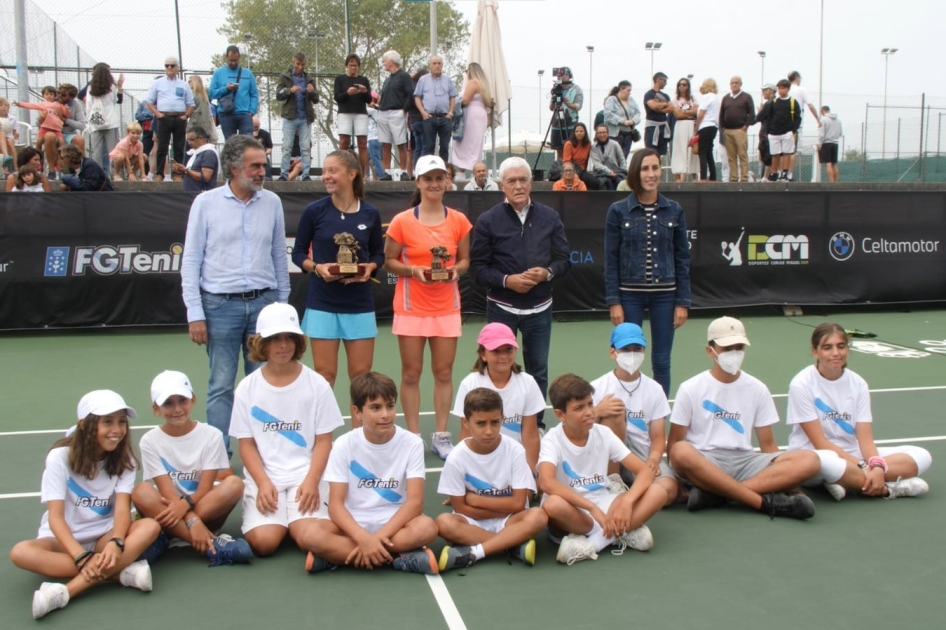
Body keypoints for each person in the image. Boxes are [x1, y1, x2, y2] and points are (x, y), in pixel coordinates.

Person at [180, 135, 291, 458]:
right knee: (221, 387)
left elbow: (278, 258)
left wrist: (281, 308)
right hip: (218, 306)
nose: (262, 171)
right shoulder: (205, 203)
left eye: (263, 165)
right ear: (233, 168)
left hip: (264, 306)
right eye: (254, 166)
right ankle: (219, 459)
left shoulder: (272, 202)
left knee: (266, 386)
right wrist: (195, 314)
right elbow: (190, 261)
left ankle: (266, 454)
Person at [10, 390, 160, 619]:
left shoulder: (125, 460)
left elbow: (122, 510)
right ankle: (119, 573)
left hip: (104, 537)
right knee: (20, 553)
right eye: (107, 422)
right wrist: (80, 556)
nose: (117, 430)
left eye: (121, 421)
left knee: (150, 527)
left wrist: (116, 542)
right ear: (84, 424)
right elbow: (56, 518)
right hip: (62, 541)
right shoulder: (59, 457)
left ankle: (66, 591)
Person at [667, 317, 821, 519]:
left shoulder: (757, 388)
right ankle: (761, 502)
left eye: (739, 347)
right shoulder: (690, 388)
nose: (734, 354)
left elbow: (768, 444)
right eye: (727, 348)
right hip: (706, 460)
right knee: (681, 451)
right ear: (710, 351)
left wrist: (787, 479)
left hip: (746, 462)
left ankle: (718, 496)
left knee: (810, 460)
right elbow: (676, 443)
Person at [228, 303, 344, 557]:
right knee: (264, 543)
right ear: (261, 343)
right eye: (275, 339)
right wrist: (262, 482)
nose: (283, 345)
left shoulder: (317, 384)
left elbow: (325, 441)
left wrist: (312, 481)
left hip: (307, 475)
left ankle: (297, 524)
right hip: (267, 476)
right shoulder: (247, 388)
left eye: (289, 338)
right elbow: (246, 445)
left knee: (307, 540)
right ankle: (283, 521)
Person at [470, 156, 570, 433]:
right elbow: (478, 269)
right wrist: (507, 281)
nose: (518, 186)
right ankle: (496, 422)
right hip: (502, 308)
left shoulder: (550, 217)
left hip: (539, 308)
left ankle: (534, 425)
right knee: (497, 369)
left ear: (531, 183)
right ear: (502, 185)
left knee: (538, 371)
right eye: (511, 181)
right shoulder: (488, 220)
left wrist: (547, 273)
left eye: (523, 180)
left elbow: (564, 260)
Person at [303, 372, 440, 575]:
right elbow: (336, 505)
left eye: (390, 406)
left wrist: (375, 540)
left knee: (427, 528)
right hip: (353, 520)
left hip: (395, 519)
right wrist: (362, 538)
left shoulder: (412, 443)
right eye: (375, 408)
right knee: (312, 535)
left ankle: (337, 558)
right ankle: (396, 559)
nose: (385, 414)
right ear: (357, 412)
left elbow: (415, 502)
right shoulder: (343, 445)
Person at [383, 155, 472, 449]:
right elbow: (389, 262)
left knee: (444, 372)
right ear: (418, 182)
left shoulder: (459, 220)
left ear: (447, 181)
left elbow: (464, 262)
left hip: (446, 307)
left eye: (439, 178)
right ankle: (411, 436)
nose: (434, 184)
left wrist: (454, 272)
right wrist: (413, 271)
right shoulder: (401, 221)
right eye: (428, 178)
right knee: (411, 373)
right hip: (410, 309)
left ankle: (441, 435)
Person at [786, 323, 931, 501]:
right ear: (815, 352)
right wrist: (863, 466)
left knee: (923, 456)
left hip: (853, 455)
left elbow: (865, 439)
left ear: (848, 349)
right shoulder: (801, 384)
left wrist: (876, 466)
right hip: (814, 456)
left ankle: (846, 480)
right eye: (827, 347)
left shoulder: (858, 384)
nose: (835, 353)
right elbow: (820, 443)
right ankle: (889, 489)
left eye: (841, 346)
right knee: (826, 464)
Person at [132, 370, 251, 566]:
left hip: (200, 509)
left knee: (234, 484)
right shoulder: (149, 441)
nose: (177, 408)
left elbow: (204, 489)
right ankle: (214, 546)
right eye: (168, 403)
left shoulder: (212, 435)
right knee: (141, 491)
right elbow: (167, 492)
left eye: (182, 400)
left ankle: (166, 537)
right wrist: (192, 521)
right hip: (170, 508)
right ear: (156, 408)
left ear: (193, 400)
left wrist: (190, 514)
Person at [539, 374, 657, 565]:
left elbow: (645, 471)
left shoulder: (603, 433)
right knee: (552, 504)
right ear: (560, 415)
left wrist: (627, 501)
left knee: (658, 490)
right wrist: (591, 508)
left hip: (605, 501)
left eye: (590, 404)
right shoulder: (552, 440)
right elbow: (546, 482)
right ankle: (623, 531)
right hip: (574, 509)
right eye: (579, 408)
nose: (589, 412)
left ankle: (593, 544)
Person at [291, 150, 385, 390]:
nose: (326, 176)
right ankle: (323, 429)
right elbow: (299, 253)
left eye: (332, 171)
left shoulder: (370, 213)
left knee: (361, 377)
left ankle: (361, 429)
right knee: (324, 376)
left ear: (352, 174)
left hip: (359, 304)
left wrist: (370, 267)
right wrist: (317, 267)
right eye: (324, 171)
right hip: (323, 303)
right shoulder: (315, 211)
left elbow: (378, 254)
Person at [604, 148, 690, 397]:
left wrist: (682, 302)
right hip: (629, 295)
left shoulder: (674, 210)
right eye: (645, 168)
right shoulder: (618, 211)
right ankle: (629, 414)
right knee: (628, 357)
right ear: (635, 172)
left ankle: (657, 417)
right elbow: (610, 259)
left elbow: (682, 258)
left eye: (655, 168)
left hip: (666, 296)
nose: (650, 174)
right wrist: (614, 302)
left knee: (662, 360)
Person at [436, 388, 549, 572]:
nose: (489, 431)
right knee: (443, 523)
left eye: (495, 422)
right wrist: (497, 508)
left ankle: (477, 552)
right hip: (473, 521)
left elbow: (520, 503)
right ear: (466, 422)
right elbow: (461, 508)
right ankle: (511, 544)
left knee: (539, 516)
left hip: (509, 519)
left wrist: (476, 500)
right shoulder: (456, 457)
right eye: (481, 423)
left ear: (502, 419)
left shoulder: (515, 450)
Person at [592, 323, 680, 506]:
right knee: (614, 412)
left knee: (669, 489)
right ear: (612, 352)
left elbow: (657, 438)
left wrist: (653, 460)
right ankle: (614, 481)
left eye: (637, 349)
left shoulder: (654, 389)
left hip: (640, 455)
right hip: (607, 457)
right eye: (625, 349)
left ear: (644, 351)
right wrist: (597, 411)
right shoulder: (597, 387)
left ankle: (627, 498)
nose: (632, 354)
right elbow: (579, 427)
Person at [451, 323, 545, 474]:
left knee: (523, 495)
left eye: (509, 349)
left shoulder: (528, 383)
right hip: (482, 460)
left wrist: (532, 474)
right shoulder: (469, 384)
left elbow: (530, 434)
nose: (503, 356)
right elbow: (466, 434)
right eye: (495, 351)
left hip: (516, 460)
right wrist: (466, 474)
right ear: (483, 354)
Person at [144, 57, 195, 182]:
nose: (169, 68)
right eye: (167, 66)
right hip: (163, 117)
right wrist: (157, 114)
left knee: (179, 147)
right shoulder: (158, 83)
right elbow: (149, 102)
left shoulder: (184, 85)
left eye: (172, 65)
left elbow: (191, 104)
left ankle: (178, 174)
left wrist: (185, 116)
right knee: (162, 147)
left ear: (177, 68)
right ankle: (160, 174)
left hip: (179, 117)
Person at [277, 52, 319, 182]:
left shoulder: (309, 79)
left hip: (304, 117)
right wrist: (290, 91)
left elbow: (316, 99)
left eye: (303, 65)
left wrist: (312, 92)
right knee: (287, 146)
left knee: (305, 147)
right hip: (290, 117)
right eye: (298, 64)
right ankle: (284, 174)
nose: (300, 67)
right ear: (293, 62)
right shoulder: (285, 77)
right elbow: (279, 95)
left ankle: (306, 175)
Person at [15, 87, 70, 177]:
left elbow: (66, 113)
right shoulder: (43, 104)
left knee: (62, 143)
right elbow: (32, 105)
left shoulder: (58, 104)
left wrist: (66, 109)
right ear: (43, 95)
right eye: (46, 94)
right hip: (45, 127)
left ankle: (60, 161)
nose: (49, 96)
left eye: (51, 94)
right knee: (38, 142)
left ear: (55, 96)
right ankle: (39, 161)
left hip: (56, 129)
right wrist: (20, 104)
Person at [377, 50, 414, 181]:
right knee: (385, 143)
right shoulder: (387, 80)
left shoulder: (404, 76)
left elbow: (411, 94)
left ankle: (403, 171)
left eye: (385, 60)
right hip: (383, 113)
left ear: (392, 61)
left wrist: (404, 110)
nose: (384, 63)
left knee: (400, 143)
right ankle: (387, 172)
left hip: (397, 112)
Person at [450, 62, 493, 172]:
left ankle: (462, 171)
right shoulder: (484, 85)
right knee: (475, 143)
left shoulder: (473, 83)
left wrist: (453, 105)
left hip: (471, 114)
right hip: (480, 114)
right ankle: (475, 168)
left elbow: (465, 100)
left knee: (464, 142)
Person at [333, 53, 371, 178]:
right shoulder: (340, 79)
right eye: (351, 65)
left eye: (355, 66)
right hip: (345, 113)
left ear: (358, 67)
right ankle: (342, 170)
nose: (353, 68)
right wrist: (347, 93)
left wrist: (365, 92)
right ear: (346, 66)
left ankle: (363, 173)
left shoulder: (363, 80)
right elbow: (337, 97)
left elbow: (369, 100)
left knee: (362, 144)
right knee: (344, 142)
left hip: (360, 113)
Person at [414, 54, 458, 162]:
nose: (437, 66)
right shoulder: (423, 80)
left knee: (444, 147)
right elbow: (417, 97)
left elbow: (453, 97)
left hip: (445, 117)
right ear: (430, 65)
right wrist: (423, 113)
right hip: (429, 117)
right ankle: (429, 171)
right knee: (429, 147)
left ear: (442, 65)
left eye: (439, 63)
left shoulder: (448, 80)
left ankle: (443, 170)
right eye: (434, 63)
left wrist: (450, 113)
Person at [209, 45, 259, 140]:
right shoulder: (218, 73)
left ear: (239, 58)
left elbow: (254, 94)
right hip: (226, 114)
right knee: (231, 144)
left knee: (247, 142)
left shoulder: (248, 74)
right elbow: (211, 93)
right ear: (226, 57)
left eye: (235, 60)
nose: (233, 63)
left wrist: (251, 111)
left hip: (244, 114)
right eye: (231, 60)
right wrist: (226, 89)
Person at [756, 79, 801, 182]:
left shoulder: (793, 102)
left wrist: (793, 130)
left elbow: (797, 118)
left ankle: (784, 173)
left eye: (783, 88)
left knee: (786, 153)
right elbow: (765, 115)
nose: (781, 90)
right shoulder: (774, 102)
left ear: (788, 89)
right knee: (775, 154)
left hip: (787, 132)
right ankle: (774, 172)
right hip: (774, 133)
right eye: (779, 88)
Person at [83, 63, 124, 173]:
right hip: (111, 122)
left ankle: (98, 176)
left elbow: (88, 107)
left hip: (96, 123)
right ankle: (115, 174)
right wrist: (120, 87)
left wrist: (90, 124)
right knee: (113, 151)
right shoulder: (111, 87)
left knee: (97, 152)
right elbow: (118, 100)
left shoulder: (90, 89)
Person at [718, 76, 755, 183]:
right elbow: (721, 114)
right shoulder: (726, 98)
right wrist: (723, 127)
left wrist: (745, 126)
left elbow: (752, 114)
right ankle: (733, 178)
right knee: (731, 156)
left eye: (736, 83)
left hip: (740, 130)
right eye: (732, 83)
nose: (734, 85)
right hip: (727, 131)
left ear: (740, 84)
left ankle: (744, 177)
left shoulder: (746, 97)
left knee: (742, 155)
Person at [786, 71, 821, 178]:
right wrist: (818, 120)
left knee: (782, 151)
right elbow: (810, 106)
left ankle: (780, 173)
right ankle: (789, 175)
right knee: (793, 150)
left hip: (782, 124)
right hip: (796, 125)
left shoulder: (785, 90)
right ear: (797, 78)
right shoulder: (801, 90)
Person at [547, 67, 583, 161]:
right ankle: (559, 169)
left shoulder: (576, 89)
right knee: (559, 149)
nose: (560, 78)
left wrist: (569, 104)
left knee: (571, 148)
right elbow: (551, 108)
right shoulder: (556, 88)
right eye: (558, 76)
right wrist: (554, 99)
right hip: (557, 124)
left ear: (569, 76)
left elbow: (578, 106)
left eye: (563, 75)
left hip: (570, 123)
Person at [172, 125, 219, 192]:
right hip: (192, 195)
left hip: (201, 195)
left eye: (192, 140)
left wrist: (186, 171)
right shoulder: (196, 154)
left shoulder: (209, 154)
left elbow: (205, 177)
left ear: (201, 138)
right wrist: (182, 170)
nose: (189, 143)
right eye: (188, 140)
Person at [670, 77, 699, 181]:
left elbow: (695, 111)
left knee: (692, 149)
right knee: (680, 148)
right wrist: (688, 112)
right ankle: (680, 175)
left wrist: (684, 112)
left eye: (684, 84)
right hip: (680, 125)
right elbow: (677, 115)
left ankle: (694, 175)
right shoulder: (675, 99)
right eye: (680, 84)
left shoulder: (693, 98)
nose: (682, 86)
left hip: (692, 124)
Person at [603, 81, 641, 158]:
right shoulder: (611, 99)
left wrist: (633, 121)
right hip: (615, 134)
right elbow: (608, 115)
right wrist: (623, 121)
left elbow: (638, 113)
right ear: (621, 89)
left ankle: (622, 169)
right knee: (614, 157)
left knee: (624, 156)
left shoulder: (631, 100)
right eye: (628, 90)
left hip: (629, 133)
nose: (630, 93)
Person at [643, 73, 674, 157]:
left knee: (660, 153)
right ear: (658, 80)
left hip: (663, 127)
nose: (665, 83)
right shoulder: (649, 94)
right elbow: (653, 106)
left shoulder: (666, 95)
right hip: (652, 127)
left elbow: (671, 108)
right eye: (664, 80)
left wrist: (659, 106)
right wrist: (664, 105)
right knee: (650, 152)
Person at [694, 78, 719, 182]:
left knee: (702, 152)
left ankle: (703, 177)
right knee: (709, 152)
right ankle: (713, 177)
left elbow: (701, 114)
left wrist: (696, 128)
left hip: (705, 126)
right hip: (713, 126)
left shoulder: (707, 97)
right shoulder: (716, 98)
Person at [589, 124, 626, 190]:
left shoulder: (615, 144)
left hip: (616, 171)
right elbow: (597, 164)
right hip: (600, 173)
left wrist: (624, 171)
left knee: (620, 182)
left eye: (604, 132)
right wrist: (608, 172)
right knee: (606, 183)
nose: (602, 135)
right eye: (599, 133)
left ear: (608, 133)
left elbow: (622, 160)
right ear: (596, 134)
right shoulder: (593, 147)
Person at [562, 122, 598, 189]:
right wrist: (573, 173)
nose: (579, 133)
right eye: (577, 131)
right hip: (570, 170)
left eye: (581, 131)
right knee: (574, 182)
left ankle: (587, 198)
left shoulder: (588, 144)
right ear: (574, 133)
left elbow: (586, 160)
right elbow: (566, 162)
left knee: (595, 182)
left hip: (582, 170)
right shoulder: (568, 144)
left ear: (585, 132)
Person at [406, 69, 428, 173]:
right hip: (422, 119)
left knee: (417, 148)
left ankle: (416, 170)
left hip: (413, 121)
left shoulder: (411, 87)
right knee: (424, 146)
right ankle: (423, 169)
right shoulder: (421, 89)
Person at [187, 76, 217, 145]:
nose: (189, 83)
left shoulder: (195, 97)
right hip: (206, 127)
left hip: (196, 125)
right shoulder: (204, 96)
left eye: (190, 81)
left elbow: (191, 111)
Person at [817, 105, 842, 182]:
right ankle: (836, 182)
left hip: (826, 143)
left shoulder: (823, 119)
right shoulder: (838, 120)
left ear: (822, 111)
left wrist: (819, 144)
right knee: (834, 164)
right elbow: (840, 133)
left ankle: (831, 182)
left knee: (828, 163)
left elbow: (821, 134)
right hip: (835, 143)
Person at [756, 84, 776, 181]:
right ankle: (768, 175)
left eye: (765, 90)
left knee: (766, 155)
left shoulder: (769, 103)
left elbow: (758, 117)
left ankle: (767, 176)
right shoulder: (773, 102)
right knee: (767, 155)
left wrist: (760, 111)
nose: (763, 93)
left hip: (766, 132)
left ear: (772, 91)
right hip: (769, 131)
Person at [366, 92, 385, 180]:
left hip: (373, 138)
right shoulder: (379, 110)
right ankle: (373, 177)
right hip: (377, 138)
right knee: (369, 159)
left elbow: (361, 110)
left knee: (375, 160)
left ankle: (381, 177)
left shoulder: (372, 110)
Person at [0, 96, 19, 172]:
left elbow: (14, 132)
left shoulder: (12, 118)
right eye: (1, 105)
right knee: (2, 134)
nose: (3, 107)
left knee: (10, 141)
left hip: (9, 138)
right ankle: (6, 156)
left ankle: (15, 166)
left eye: (6, 105)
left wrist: (16, 135)